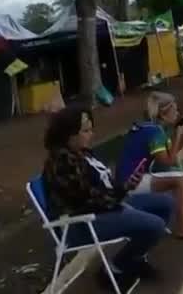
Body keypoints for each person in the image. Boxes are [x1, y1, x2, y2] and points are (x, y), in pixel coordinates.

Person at [43, 105, 174, 287]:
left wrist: (126, 186)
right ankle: (116, 265)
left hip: (104, 207)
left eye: (91, 129)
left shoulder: (82, 152)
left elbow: (103, 188)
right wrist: (121, 201)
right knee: (156, 225)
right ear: (69, 134)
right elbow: (86, 200)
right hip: (81, 223)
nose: (92, 134)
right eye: (86, 130)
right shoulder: (63, 162)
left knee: (165, 203)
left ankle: (133, 259)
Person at [116, 92, 183, 239]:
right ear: (163, 115)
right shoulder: (154, 132)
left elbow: (172, 160)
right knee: (180, 179)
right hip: (130, 183)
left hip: (142, 174)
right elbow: (168, 162)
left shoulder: (156, 128)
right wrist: (178, 134)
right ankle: (182, 227)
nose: (177, 113)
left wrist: (174, 136)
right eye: (174, 110)